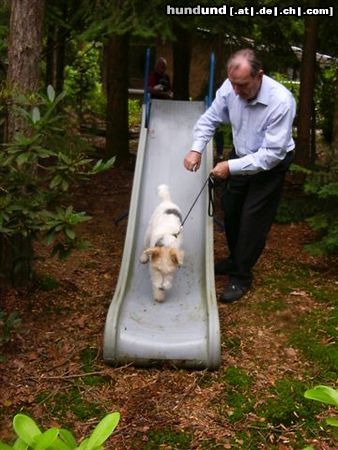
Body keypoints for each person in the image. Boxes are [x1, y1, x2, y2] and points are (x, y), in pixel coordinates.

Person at [184, 48, 296, 303]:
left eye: (242, 85)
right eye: (233, 83)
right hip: (241, 154)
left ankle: (241, 276)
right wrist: (196, 148)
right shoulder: (230, 87)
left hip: (270, 165)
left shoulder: (281, 101)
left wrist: (230, 166)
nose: (236, 91)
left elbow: (270, 155)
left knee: (252, 220)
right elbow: (211, 119)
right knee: (231, 208)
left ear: (259, 75)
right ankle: (236, 258)